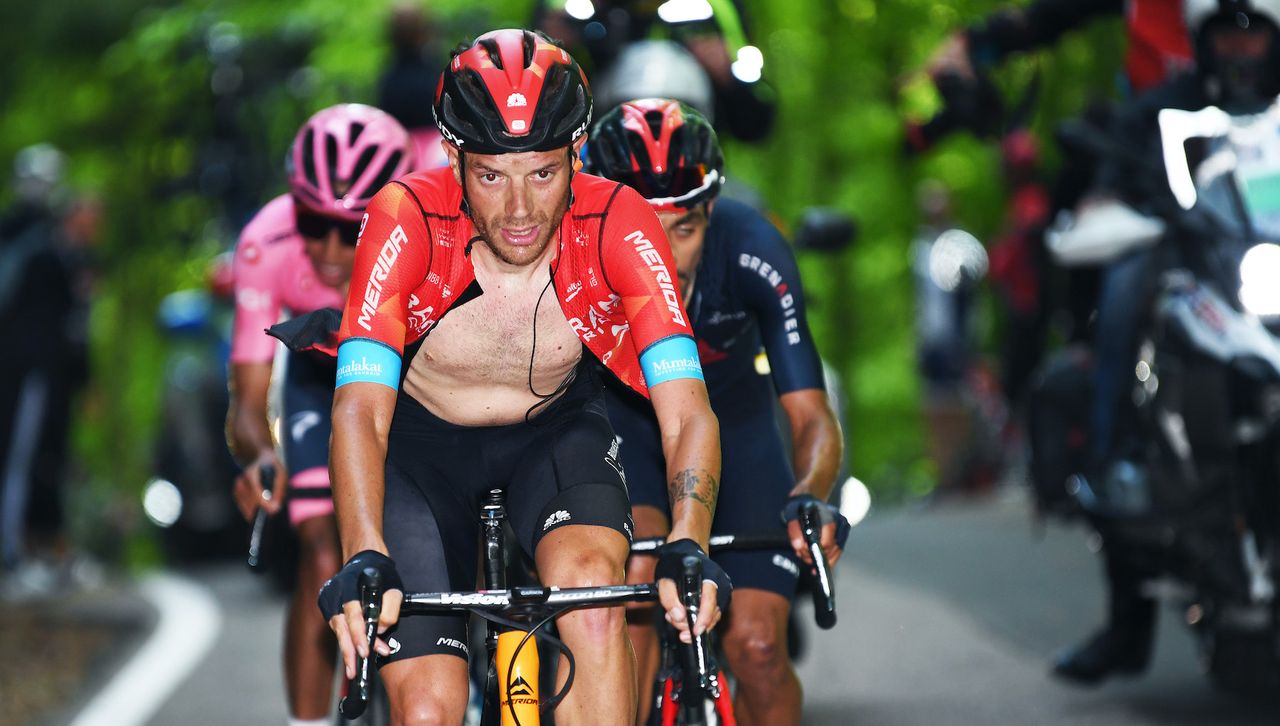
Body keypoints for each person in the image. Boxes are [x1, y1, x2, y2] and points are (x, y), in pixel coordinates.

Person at [307, 30, 726, 725]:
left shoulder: (619, 220)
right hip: (420, 453)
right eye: (491, 176)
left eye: (542, 172)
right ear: (453, 157)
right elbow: (358, 410)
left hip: (554, 436)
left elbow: (686, 411)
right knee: (428, 711)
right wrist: (364, 552)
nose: (521, 209)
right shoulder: (404, 216)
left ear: (577, 153)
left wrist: (689, 537)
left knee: (595, 598)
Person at [585, 98, 847, 725]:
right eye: (643, 231)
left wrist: (810, 490)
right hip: (628, 435)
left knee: (757, 649)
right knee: (637, 601)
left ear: (712, 212)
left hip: (737, 432)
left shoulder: (755, 248)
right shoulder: (570, 256)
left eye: (685, 229)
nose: (666, 259)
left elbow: (810, 413)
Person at [1053, 0, 1280, 685]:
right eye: (1225, 31)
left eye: (1253, 30)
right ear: (1201, 37)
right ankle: (1114, 453)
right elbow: (1112, 192)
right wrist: (1117, 210)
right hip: (1194, 277)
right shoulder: (1159, 110)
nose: (1239, 47)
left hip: (1267, 277)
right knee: (1125, 286)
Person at [225, 103, 413, 725]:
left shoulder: (427, 228)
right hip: (316, 379)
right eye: (314, 222)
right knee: (323, 556)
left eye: (351, 227)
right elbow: (248, 403)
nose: (331, 250)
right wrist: (258, 458)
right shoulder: (266, 241)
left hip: (411, 371)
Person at [533, 0, 777, 142]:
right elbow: (525, 100)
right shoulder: (569, 7)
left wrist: (727, 76)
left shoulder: (718, 9)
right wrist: (558, 49)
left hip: (699, 173)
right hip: (598, 167)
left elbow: (757, 120)